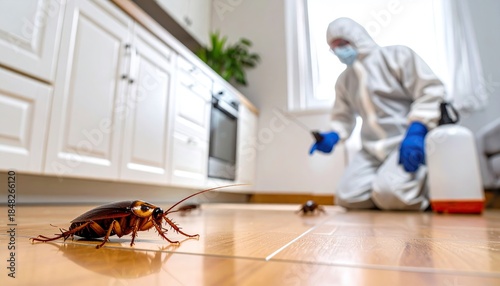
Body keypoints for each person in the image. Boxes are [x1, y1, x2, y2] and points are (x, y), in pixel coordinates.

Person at [309, 17, 445, 211]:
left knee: (391, 193)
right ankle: (389, 193)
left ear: (356, 37)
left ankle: (412, 189)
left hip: (404, 141)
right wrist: (332, 135)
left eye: (342, 44)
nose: (339, 51)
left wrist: (417, 129)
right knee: (346, 195)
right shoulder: (344, 80)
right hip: (371, 150)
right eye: (334, 48)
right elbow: (343, 117)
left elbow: (430, 91)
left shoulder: (397, 56)